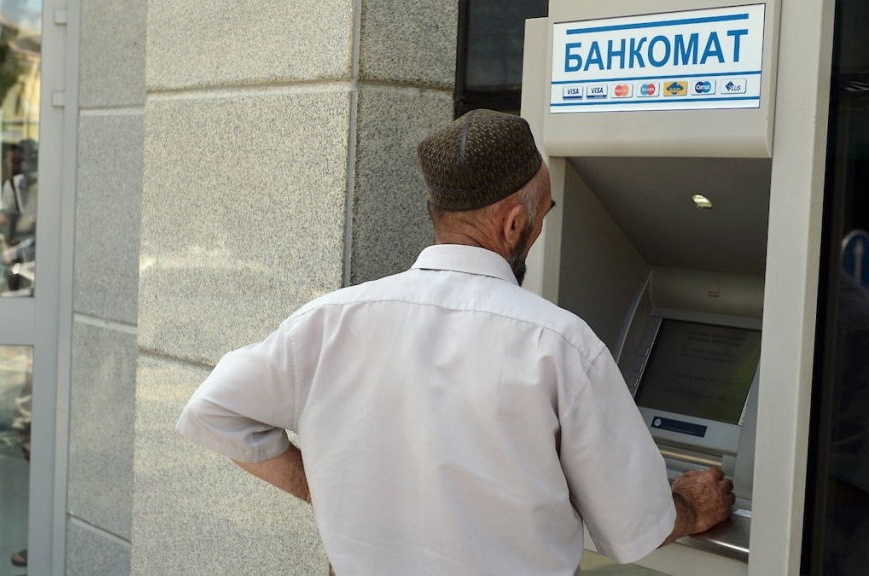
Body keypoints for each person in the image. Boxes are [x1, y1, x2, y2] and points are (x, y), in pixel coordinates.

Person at [177, 110, 734, 575]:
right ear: (513, 224)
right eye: (543, 213)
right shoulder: (559, 344)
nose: (541, 227)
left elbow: (213, 412)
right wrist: (689, 506)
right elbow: (634, 526)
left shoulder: (328, 322)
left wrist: (326, 488)